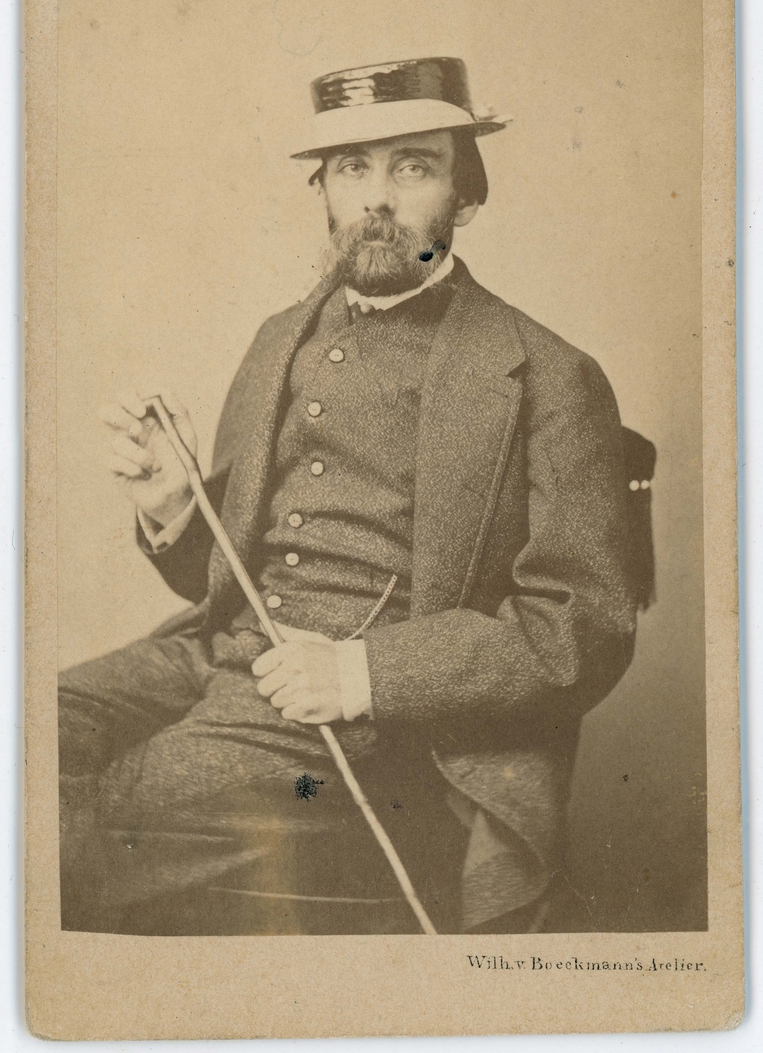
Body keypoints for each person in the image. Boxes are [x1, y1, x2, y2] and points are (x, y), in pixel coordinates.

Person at [59, 57, 642, 936]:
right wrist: (176, 507)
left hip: (367, 725)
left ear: (464, 196)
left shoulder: (549, 375)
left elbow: (580, 632)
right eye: (351, 168)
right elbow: (223, 583)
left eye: (412, 166)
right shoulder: (279, 338)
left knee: (100, 823)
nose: (377, 198)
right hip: (216, 657)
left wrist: (364, 674)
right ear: (324, 192)